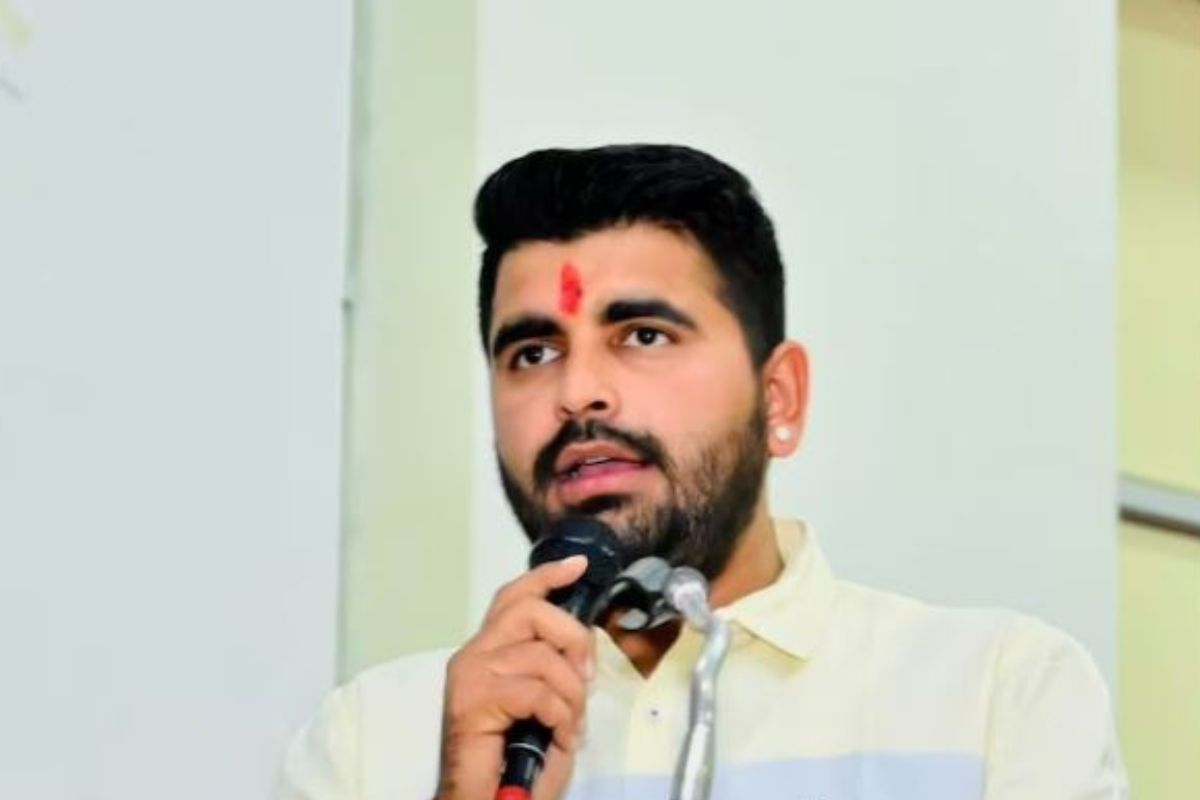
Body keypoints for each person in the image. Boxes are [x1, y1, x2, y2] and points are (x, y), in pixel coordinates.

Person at [276, 145, 1128, 800]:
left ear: (779, 397)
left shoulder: (994, 696)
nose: (578, 392)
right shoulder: (373, 741)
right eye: (532, 352)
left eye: (643, 336)